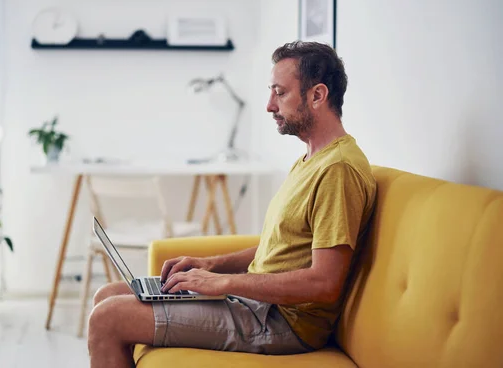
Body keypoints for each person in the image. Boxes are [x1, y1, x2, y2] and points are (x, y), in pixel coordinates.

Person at [87, 41, 377, 368]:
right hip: (256, 304)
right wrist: (212, 265)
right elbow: (281, 248)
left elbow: (324, 283)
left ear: (317, 95)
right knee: (107, 295)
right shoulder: (311, 159)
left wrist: (224, 283)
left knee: (108, 317)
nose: (269, 106)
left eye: (280, 93)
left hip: (282, 322)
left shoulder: (337, 170)